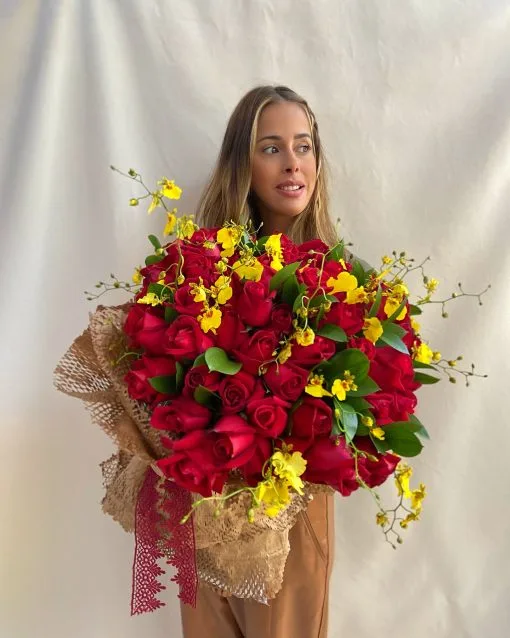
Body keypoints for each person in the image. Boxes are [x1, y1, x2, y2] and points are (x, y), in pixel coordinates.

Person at [180, 85, 336, 638]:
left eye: (303, 146)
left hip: (289, 509)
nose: (292, 162)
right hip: (206, 503)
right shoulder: (200, 271)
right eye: (271, 148)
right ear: (242, 165)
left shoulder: (337, 285)